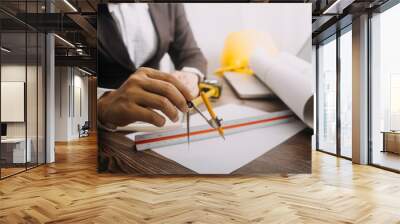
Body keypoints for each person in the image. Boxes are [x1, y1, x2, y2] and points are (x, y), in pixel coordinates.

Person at [97, 3, 207, 130]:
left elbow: (190, 54)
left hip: (157, 120)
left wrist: (190, 75)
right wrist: (101, 105)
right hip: (102, 127)